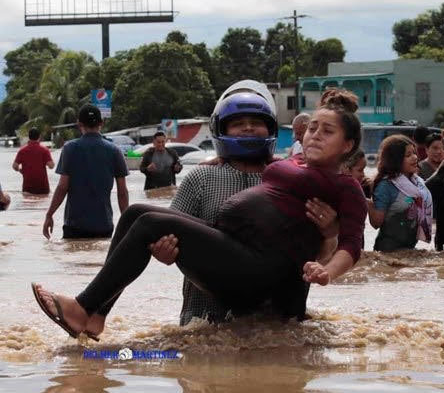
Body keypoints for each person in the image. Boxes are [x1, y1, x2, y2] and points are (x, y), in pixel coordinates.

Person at [31, 89, 368, 340]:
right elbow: (173, 239)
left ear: (348, 144)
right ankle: (96, 313)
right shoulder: (230, 172)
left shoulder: (344, 186)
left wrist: (328, 260)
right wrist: (162, 250)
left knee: (149, 222)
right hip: (228, 260)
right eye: (312, 128)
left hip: (258, 274)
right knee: (136, 213)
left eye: (328, 131)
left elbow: (352, 246)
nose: (314, 135)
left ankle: (81, 307)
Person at [153, 83, 340, 326]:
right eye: (238, 122)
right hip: (204, 320)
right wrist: (164, 253)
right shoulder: (200, 178)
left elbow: (321, 257)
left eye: (257, 122)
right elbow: (167, 235)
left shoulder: (298, 181)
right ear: (221, 129)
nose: (249, 127)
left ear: (270, 128)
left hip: (279, 324)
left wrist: (330, 233)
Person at [43, 104, 129, 240]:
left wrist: (49, 215)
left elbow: (62, 187)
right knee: (99, 259)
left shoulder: (69, 149)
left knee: (76, 259)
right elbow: (122, 192)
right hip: (104, 224)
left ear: (79, 124)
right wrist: (127, 223)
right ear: (101, 123)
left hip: (75, 225)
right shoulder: (114, 151)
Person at [368, 135, 432, 252]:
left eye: (414, 153)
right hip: (387, 251)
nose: (414, 158)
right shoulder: (386, 186)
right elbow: (376, 223)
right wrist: (368, 203)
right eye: (408, 155)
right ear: (395, 160)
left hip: (410, 248)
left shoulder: (418, 183)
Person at [12, 127, 54, 194]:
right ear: (39, 136)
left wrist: (20, 170)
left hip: (27, 187)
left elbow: (14, 166)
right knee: (44, 203)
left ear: (29, 137)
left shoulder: (22, 150)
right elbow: (51, 166)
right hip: (42, 186)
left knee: (28, 202)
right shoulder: (44, 150)